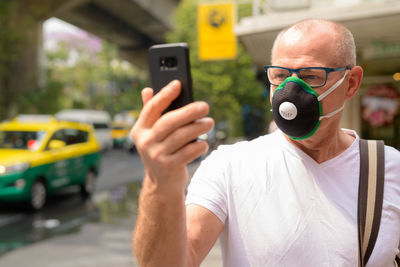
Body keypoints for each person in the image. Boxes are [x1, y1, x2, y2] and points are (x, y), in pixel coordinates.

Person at [131, 19, 400, 267]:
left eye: (311, 76)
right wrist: (160, 184)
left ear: (351, 83)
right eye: (281, 75)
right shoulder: (229, 166)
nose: (291, 92)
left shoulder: (390, 169)